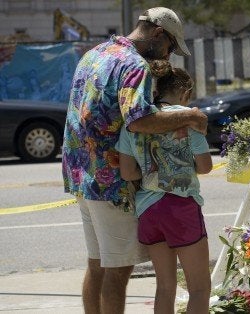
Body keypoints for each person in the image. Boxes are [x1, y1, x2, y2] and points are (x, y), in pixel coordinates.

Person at [61, 7, 207, 313]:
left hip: (82, 176)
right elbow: (139, 120)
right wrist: (190, 116)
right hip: (111, 183)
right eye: (169, 47)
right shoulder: (134, 64)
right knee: (118, 270)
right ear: (157, 34)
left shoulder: (95, 53)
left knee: (98, 264)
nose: (167, 57)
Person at [116, 61, 212, 313]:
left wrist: (150, 172)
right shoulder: (190, 119)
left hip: (148, 210)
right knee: (200, 288)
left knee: (165, 287)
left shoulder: (136, 122)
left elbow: (127, 172)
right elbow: (205, 166)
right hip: (181, 207)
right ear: (185, 93)